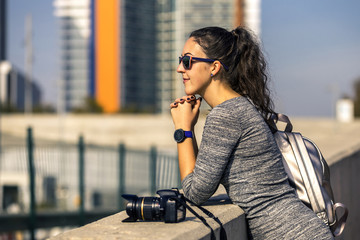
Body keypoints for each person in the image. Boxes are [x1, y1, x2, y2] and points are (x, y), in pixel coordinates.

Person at [170, 26, 334, 240]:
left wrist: (182, 131)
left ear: (214, 68)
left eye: (188, 61)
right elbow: (203, 176)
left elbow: (195, 193)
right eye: (181, 59)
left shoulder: (225, 115)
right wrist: (189, 129)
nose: (180, 69)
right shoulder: (240, 106)